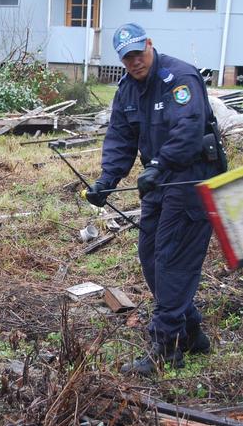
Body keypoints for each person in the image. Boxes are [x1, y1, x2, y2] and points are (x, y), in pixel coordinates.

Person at [85, 23, 227, 376]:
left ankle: (167, 347)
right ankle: (190, 332)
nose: (135, 62)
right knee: (150, 257)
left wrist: (160, 164)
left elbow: (190, 128)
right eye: (127, 57)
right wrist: (107, 180)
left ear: (149, 44)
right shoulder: (127, 90)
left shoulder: (179, 78)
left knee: (172, 260)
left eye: (138, 52)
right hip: (158, 183)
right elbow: (120, 136)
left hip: (192, 178)